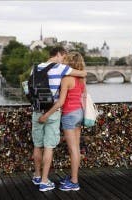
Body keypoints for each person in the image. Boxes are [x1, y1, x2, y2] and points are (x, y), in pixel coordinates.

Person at [31, 47, 87, 192]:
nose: (64, 60)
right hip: (72, 113)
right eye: (63, 57)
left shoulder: (35, 68)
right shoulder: (71, 74)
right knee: (57, 147)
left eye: (67, 59)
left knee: (38, 145)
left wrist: (44, 114)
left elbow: (31, 90)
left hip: (40, 110)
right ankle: (49, 181)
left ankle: (38, 176)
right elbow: (84, 94)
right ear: (58, 54)